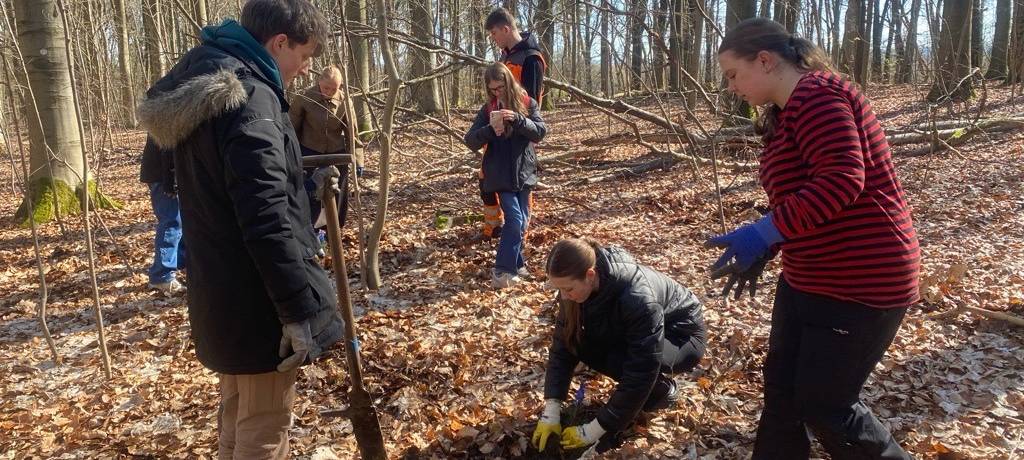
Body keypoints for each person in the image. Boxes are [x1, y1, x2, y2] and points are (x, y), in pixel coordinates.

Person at [136, 1, 344, 457]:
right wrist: (296, 310)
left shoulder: (205, 92)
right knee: (266, 425)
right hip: (257, 298)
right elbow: (267, 217)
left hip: (219, 288)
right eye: (304, 55)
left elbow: (237, 191)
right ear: (279, 42)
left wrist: (305, 185)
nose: (306, 67)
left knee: (237, 411)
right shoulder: (253, 98)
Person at [708, 18, 920, 459]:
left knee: (826, 406)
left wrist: (765, 231)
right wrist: (771, 243)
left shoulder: (818, 95)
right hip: (810, 275)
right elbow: (804, 195)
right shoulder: (788, 113)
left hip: (862, 280)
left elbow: (843, 180)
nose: (731, 87)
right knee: (782, 395)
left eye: (733, 74)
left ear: (764, 61)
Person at [533, 238, 706, 454]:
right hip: (637, 329)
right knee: (580, 342)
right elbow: (562, 345)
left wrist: (596, 429)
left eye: (568, 289)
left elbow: (641, 368)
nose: (564, 297)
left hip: (681, 335)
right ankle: (639, 396)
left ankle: (661, 391)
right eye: (560, 290)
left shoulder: (637, 297)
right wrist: (552, 408)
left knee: (621, 361)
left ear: (590, 275)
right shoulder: (575, 290)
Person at [463, 63, 545, 289]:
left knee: (523, 221)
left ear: (508, 82)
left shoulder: (527, 103)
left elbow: (540, 132)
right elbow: (470, 140)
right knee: (515, 220)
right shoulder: (487, 109)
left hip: (524, 172)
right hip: (499, 174)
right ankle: (502, 271)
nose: (497, 93)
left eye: (499, 88)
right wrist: (490, 129)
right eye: (492, 90)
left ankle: (517, 264)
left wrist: (518, 120)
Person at [478, 7, 547, 240]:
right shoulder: (505, 57)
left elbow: (532, 101)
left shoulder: (531, 58)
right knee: (486, 176)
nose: (493, 39)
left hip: (518, 132)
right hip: (498, 127)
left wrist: (522, 127)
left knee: (519, 183)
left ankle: (518, 233)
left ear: (506, 29)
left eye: (494, 33)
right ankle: (495, 226)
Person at [289, 65, 363, 231]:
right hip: (309, 151)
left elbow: (353, 134)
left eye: (334, 89)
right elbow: (291, 129)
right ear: (319, 82)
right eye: (326, 88)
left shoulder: (345, 101)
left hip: (337, 154)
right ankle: (310, 232)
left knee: (337, 194)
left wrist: (358, 159)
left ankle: (333, 232)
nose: (329, 92)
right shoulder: (304, 98)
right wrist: (291, 155)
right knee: (311, 194)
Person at [139, 136, 186, 296]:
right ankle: (162, 276)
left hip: (164, 172)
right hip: (162, 174)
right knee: (171, 222)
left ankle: (178, 263)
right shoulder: (170, 112)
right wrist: (171, 180)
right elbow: (167, 145)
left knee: (180, 220)